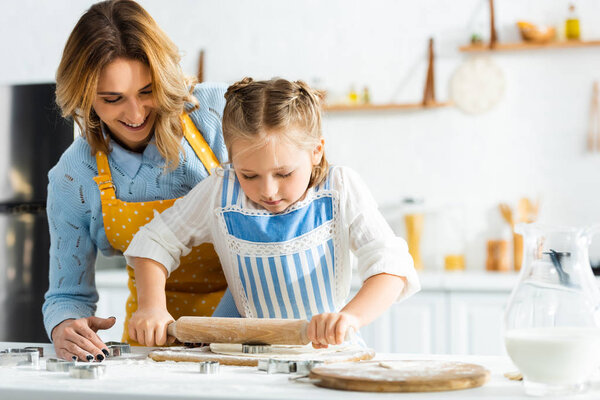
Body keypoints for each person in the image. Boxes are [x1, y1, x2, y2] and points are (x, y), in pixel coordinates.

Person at [124, 78, 421, 348]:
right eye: (249, 175)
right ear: (231, 157)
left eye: (283, 173)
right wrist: (151, 306)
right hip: (246, 358)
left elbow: (391, 266)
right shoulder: (220, 192)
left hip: (326, 353)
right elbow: (155, 241)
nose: (268, 191)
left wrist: (351, 318)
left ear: (316, 151)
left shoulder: (340, 188)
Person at [43, 0, 238, 362]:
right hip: (151, 348)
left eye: (147, 91)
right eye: (112, 99)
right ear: (84, 97)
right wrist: (65, 326)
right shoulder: (73, 176)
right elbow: (66, 295)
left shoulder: (221, 114)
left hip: (246, 334)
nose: (135, 114)